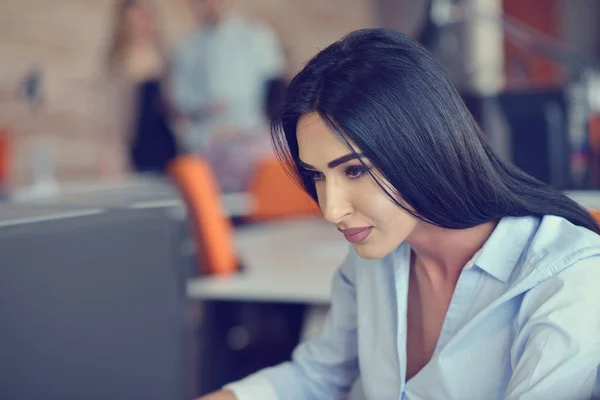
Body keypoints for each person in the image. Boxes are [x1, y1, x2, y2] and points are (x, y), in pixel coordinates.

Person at [200, 29, 600, 400]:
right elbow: (315, 377)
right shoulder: (373, 258)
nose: (331, 209)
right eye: (317, 176)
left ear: (421, 147)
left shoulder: (566, 280)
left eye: (354, 170)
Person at [170, 0, 285, 191]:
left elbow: (276, 88)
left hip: (254, 135)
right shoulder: (187, 46)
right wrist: (204, 110)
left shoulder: (256, 35)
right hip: (211, 141)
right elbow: (181, 100)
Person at [102, 0, 178, 175]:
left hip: (168, 140)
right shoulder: (116, 61)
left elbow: (177, 100)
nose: (138, 26)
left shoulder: (165, 52)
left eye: (141, 19)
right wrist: (110, 154)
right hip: (136, 143)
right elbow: (108, 113)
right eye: (132, 22)